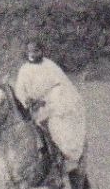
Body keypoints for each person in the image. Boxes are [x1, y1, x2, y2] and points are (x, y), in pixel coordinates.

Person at [12, 39, 88, 174]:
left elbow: (60, 87)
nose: (32, 54)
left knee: (55, 126)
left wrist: (45, 101)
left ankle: (62, 160)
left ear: (41, 51)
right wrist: (27, 100)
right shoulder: (24, 69)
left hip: (51, 106)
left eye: (35, 51)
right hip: (31, 109)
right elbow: (19, 90)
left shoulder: (50, 66)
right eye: (30, 51)